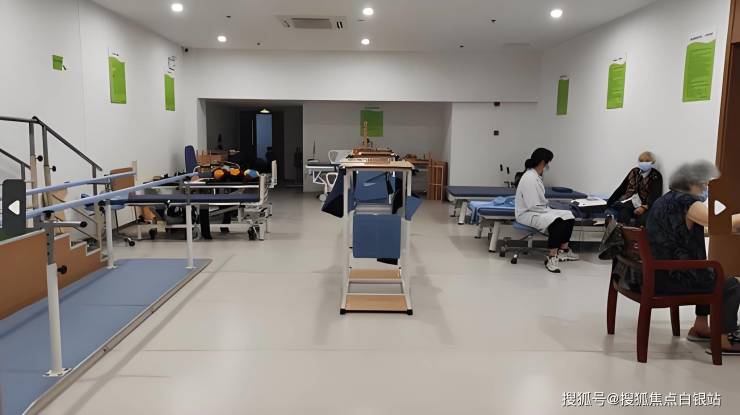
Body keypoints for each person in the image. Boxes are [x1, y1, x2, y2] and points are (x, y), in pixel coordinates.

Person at [646, 160, 740, 354]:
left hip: (657, 273)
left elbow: (687, 229)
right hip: (671, 279)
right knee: (730, 284)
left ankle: (700, 327)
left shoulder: (664, 200)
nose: (705, 189)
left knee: (705, 270)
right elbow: (719, 223)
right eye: (703, 184)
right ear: (690, 183)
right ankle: (724, 340)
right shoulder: (686, 201)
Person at [515, 148, 580, 274]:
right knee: (557, 221)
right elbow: (533, 204)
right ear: (543, 162)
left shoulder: (535, 176)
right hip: (527, 213)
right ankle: (551, 257)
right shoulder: (529, 178)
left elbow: (539, 202)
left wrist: (548, 208)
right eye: (548, 162)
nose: (548, 165)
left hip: (538, 210)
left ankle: (563, 251)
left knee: (569, 215)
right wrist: (549, 210)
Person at [607, 151, 663, 227]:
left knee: (642, 220)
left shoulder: (655, 175)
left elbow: (655, 195)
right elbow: (622, 188)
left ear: (652, 162)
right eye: (641, 161)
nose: (644, 163)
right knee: (623, 214)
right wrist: (609, 203)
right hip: (631, 202)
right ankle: (623, 232)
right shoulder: (634, 172)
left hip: (646, 205)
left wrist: (643, 207)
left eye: (647, 161)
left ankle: (635, 232)